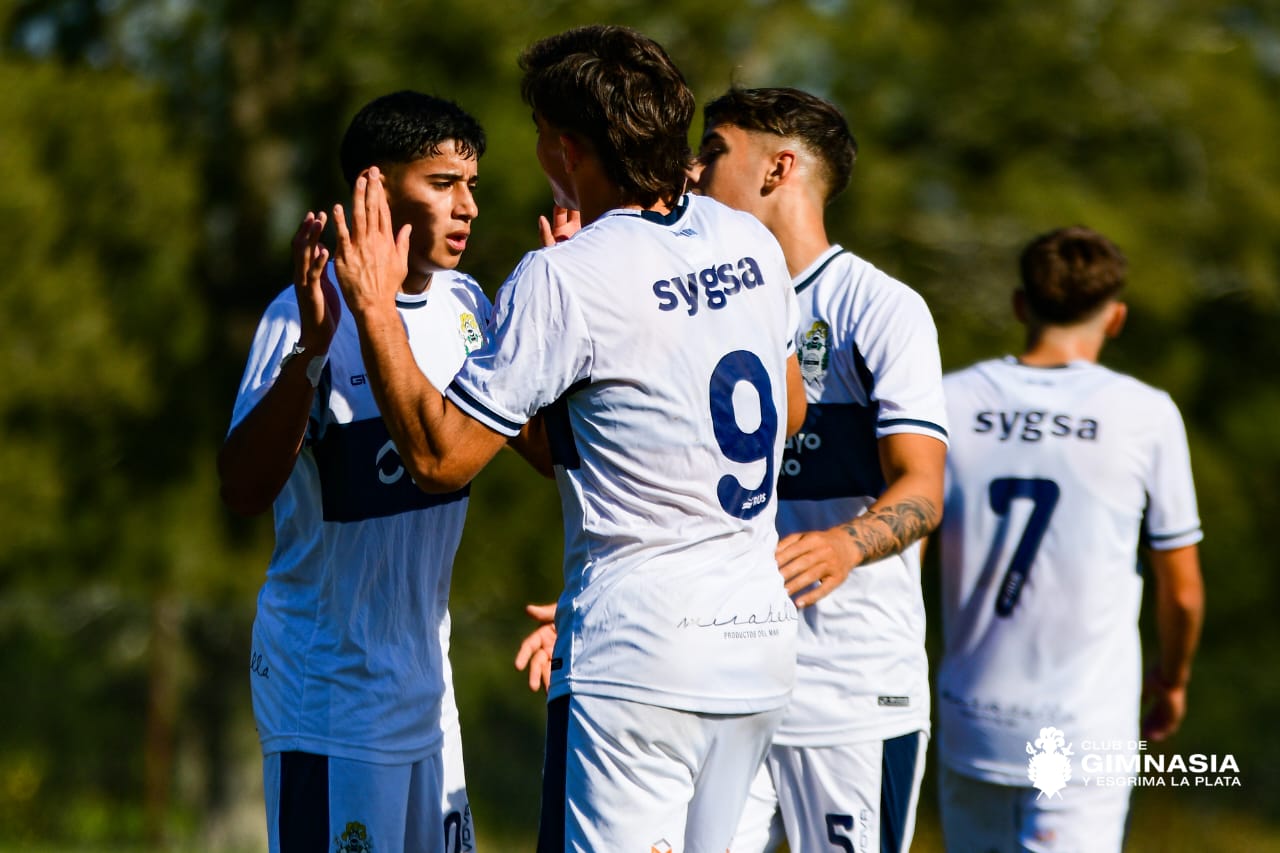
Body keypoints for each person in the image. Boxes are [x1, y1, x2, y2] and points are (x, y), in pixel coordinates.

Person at [330, 25, 807, 853]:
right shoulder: (749, 240)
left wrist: (375, 308)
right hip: (761, 648)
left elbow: (438, 459)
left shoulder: (565, 275)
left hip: (641, 660)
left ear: (566, 147)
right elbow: (791, 409)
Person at [217, 90, 494, 853]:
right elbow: (242, 489)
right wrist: (310, 352)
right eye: (443, 184)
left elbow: (536, 442)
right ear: (374, 187)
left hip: (428, 691)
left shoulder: (469, 307)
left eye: (472, 185)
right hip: (329, 692)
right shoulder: (301, 311)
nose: (467, 206)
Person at [690, 87, 948, 853]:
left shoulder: (880, 307)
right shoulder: (707, 303)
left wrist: (844, 544)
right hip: (728, 677)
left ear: (779, 167)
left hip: (851, 691)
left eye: (714, 151)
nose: (694, 168)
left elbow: (924, 489)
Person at [935, 226, 1205, 852]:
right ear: (1116, 318)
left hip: (969, 713)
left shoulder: (951, 399)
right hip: (1082, 727)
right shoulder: (1145, 412)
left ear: (1020, 306)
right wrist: (1173, 678)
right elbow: (1184, 594)